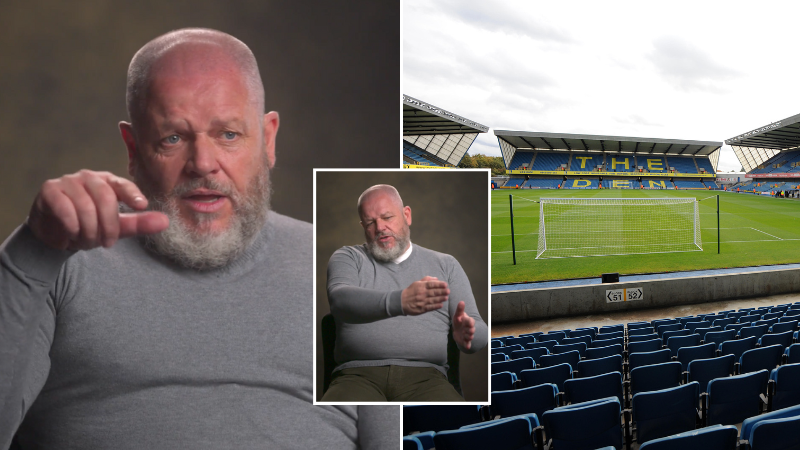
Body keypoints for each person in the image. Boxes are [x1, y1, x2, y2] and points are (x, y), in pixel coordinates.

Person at [0, 28, 397, 449]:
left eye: (228, 134)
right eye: (172, 138)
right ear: (133, 149)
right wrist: (33, 254)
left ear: (268, 139)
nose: (203, 164)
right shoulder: (58, 255)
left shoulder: (347, 274)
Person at [322, 184, 488, 402]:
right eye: (371, 222)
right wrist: (400, 301)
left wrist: (471, 333)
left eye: (387, 217)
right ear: (363, 225)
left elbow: (479, 330)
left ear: (406, 215)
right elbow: (339, 300)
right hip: (356, 377)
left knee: (462, 429)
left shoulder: (446, 264)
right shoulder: (348, 257)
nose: (380, 227)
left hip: (428, 379)